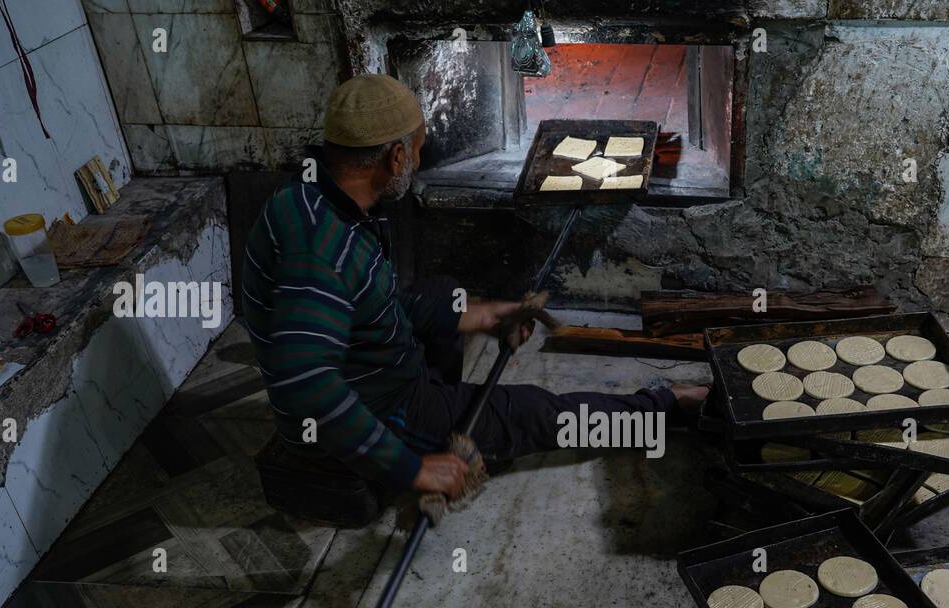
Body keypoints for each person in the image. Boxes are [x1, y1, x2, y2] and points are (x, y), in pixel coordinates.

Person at [241, 74, 708, 501]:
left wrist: (478, 316)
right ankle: (662, 404)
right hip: (384, 407)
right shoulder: (321, 253)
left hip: (373, 366)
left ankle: (449, 399)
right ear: (396, 157)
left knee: (445, 293)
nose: (419, 160)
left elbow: (365, 302)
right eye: (418, 149)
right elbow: (306, 385)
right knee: (534, 413)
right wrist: (412, 469)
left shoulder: (304, 195)